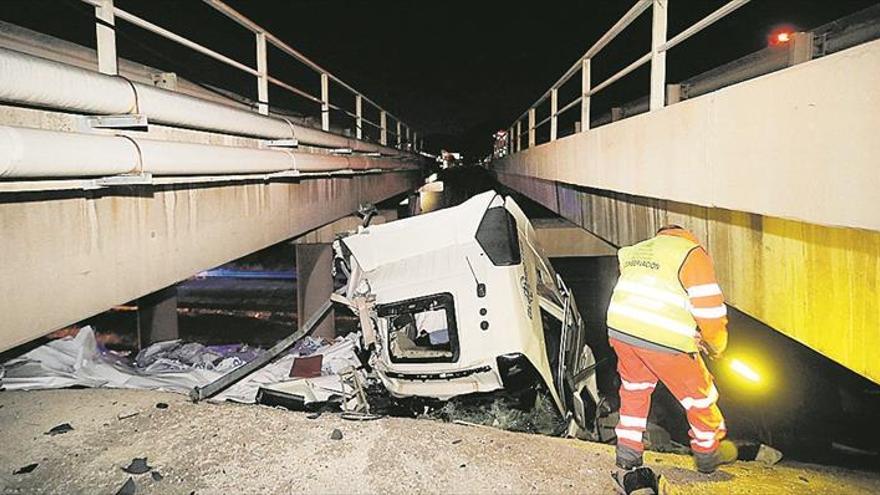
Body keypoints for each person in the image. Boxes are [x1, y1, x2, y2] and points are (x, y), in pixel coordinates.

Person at [606, 225, 737, 474]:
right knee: (699, 395)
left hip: (621, 331)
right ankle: (707, 452)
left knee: (635, 390)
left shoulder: (637, 250)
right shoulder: (692, 253)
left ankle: (628, 452)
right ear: (687, 236)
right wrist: (715, 345)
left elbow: (652, 293)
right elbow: (710, 309)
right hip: (662, 339)